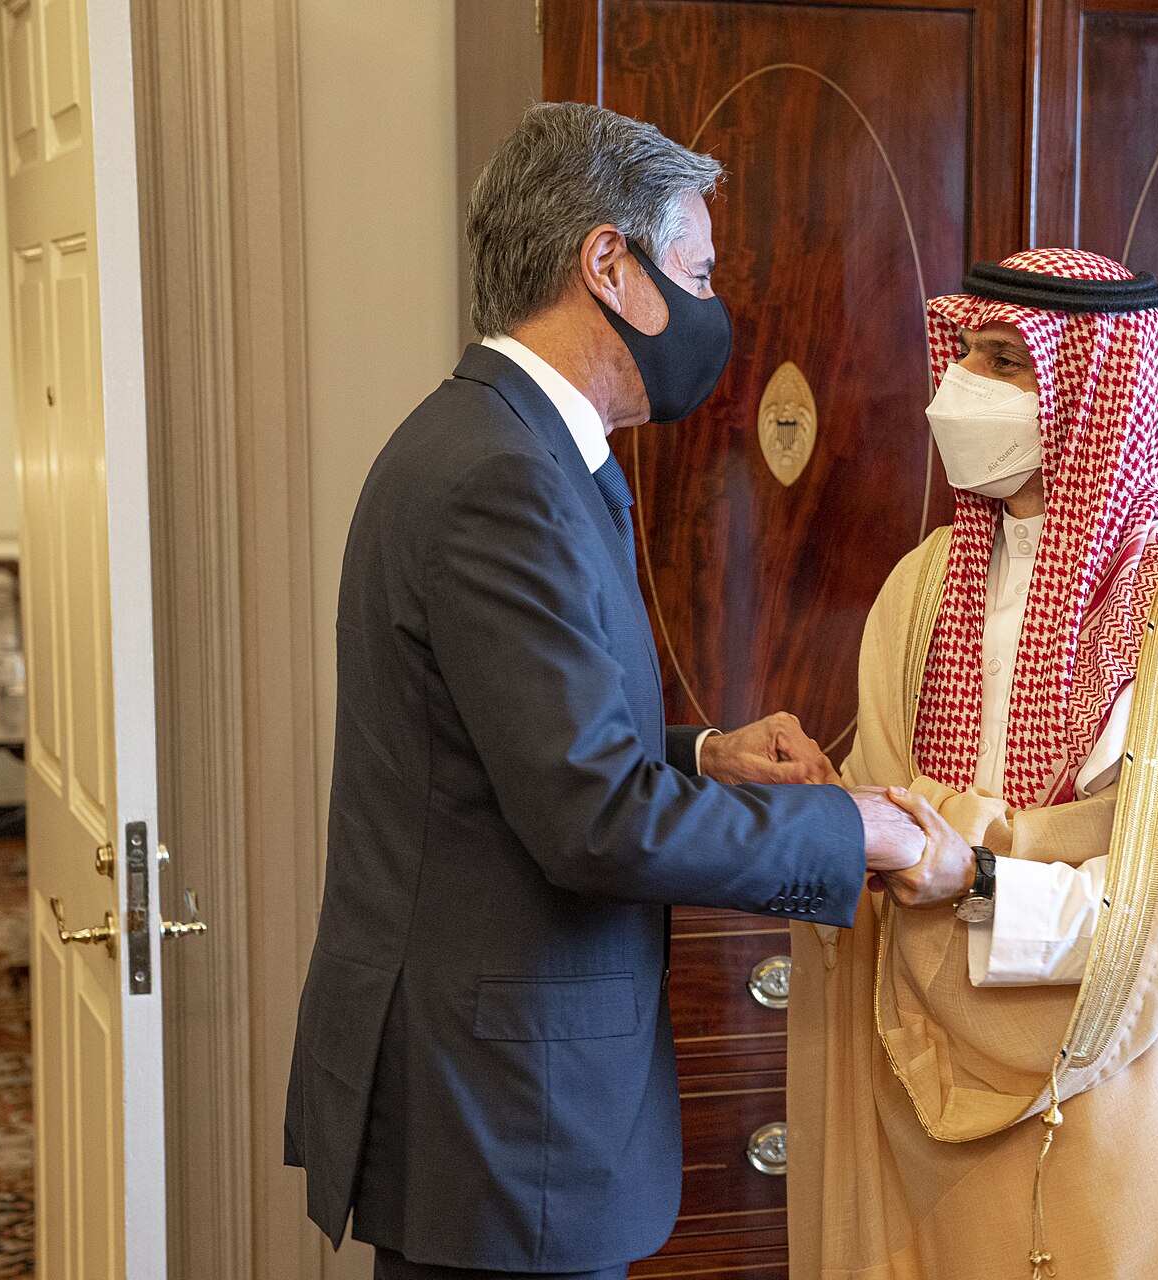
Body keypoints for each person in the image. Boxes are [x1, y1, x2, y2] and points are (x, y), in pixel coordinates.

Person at [283, 104, 936, 1280]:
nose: (707, 307)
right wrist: (854, 829)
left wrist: (700, 757)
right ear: (607, 266)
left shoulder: (506, 443)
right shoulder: (502, 475)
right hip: (507, 1125)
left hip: (495, 1109)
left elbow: (520, 742)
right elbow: (591, 820)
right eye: (692, 270)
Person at [787, 249, 1158, 1278]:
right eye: (963, 350)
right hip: (942, 1128)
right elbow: (889, 848)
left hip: (1150, 1125)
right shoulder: (918, 592)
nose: (962, 384)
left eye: (1006, 358)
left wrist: (970, 872)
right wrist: (828, 817)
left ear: (1092, 390)